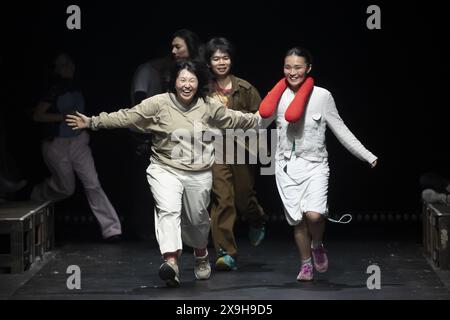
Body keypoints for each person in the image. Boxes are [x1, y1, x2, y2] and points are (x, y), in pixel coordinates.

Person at [66, 59, 262, 287]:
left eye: (191, 80)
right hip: (165, 168)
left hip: (198, 173)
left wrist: (261, 118)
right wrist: (92, 121)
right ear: (173, 82)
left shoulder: (209, 107)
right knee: (168, 210)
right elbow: (128, 116)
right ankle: (171, 262)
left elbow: (236, 119)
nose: (187, 85)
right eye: (182, 80)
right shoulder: (159, 103)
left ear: (199, 83)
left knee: (197, 219)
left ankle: (201, 254)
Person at [259, 47, 378, 281]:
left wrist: (367, 155)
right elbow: (257, 125)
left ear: (308, 68)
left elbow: (340, 129)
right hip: (285, 166)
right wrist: (220, 133)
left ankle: (317, 245)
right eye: (288, 67)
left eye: (298, 67)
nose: (292, 72)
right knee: (297, 220)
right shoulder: (278, 96)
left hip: (315, 165)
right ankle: (305, 264)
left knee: (314, 216)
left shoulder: (322, 96)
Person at [31, 53, 122, 242]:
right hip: (56, 143)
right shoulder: (54, 89)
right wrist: (63, 117)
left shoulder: (78, 86)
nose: (68, 66)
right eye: (63, 64)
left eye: (69, 63)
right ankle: (37, 194)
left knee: (93, 183)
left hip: (78, 141)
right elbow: (38, 116)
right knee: (66, 188)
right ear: (55, 69)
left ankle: (112, 230)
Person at [127, 29, 205, 240]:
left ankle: (195, 237)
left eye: (177, 47)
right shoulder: (160, 73)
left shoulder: (199, 72)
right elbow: (142, 103)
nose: (173, 52)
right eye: (171, 48)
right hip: (162, 136)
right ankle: (157, 234)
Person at [205, 37, 267, 271]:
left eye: (225, 57)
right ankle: (225, 252)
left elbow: (262, 120)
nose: (221, 62)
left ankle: (257, 217)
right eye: (216, 58)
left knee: (243, 197)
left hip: (242, 150)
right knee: (223, 199)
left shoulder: (245, 88)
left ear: (232, 60)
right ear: (209, 62)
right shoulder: (203, 89)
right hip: (215, 150)